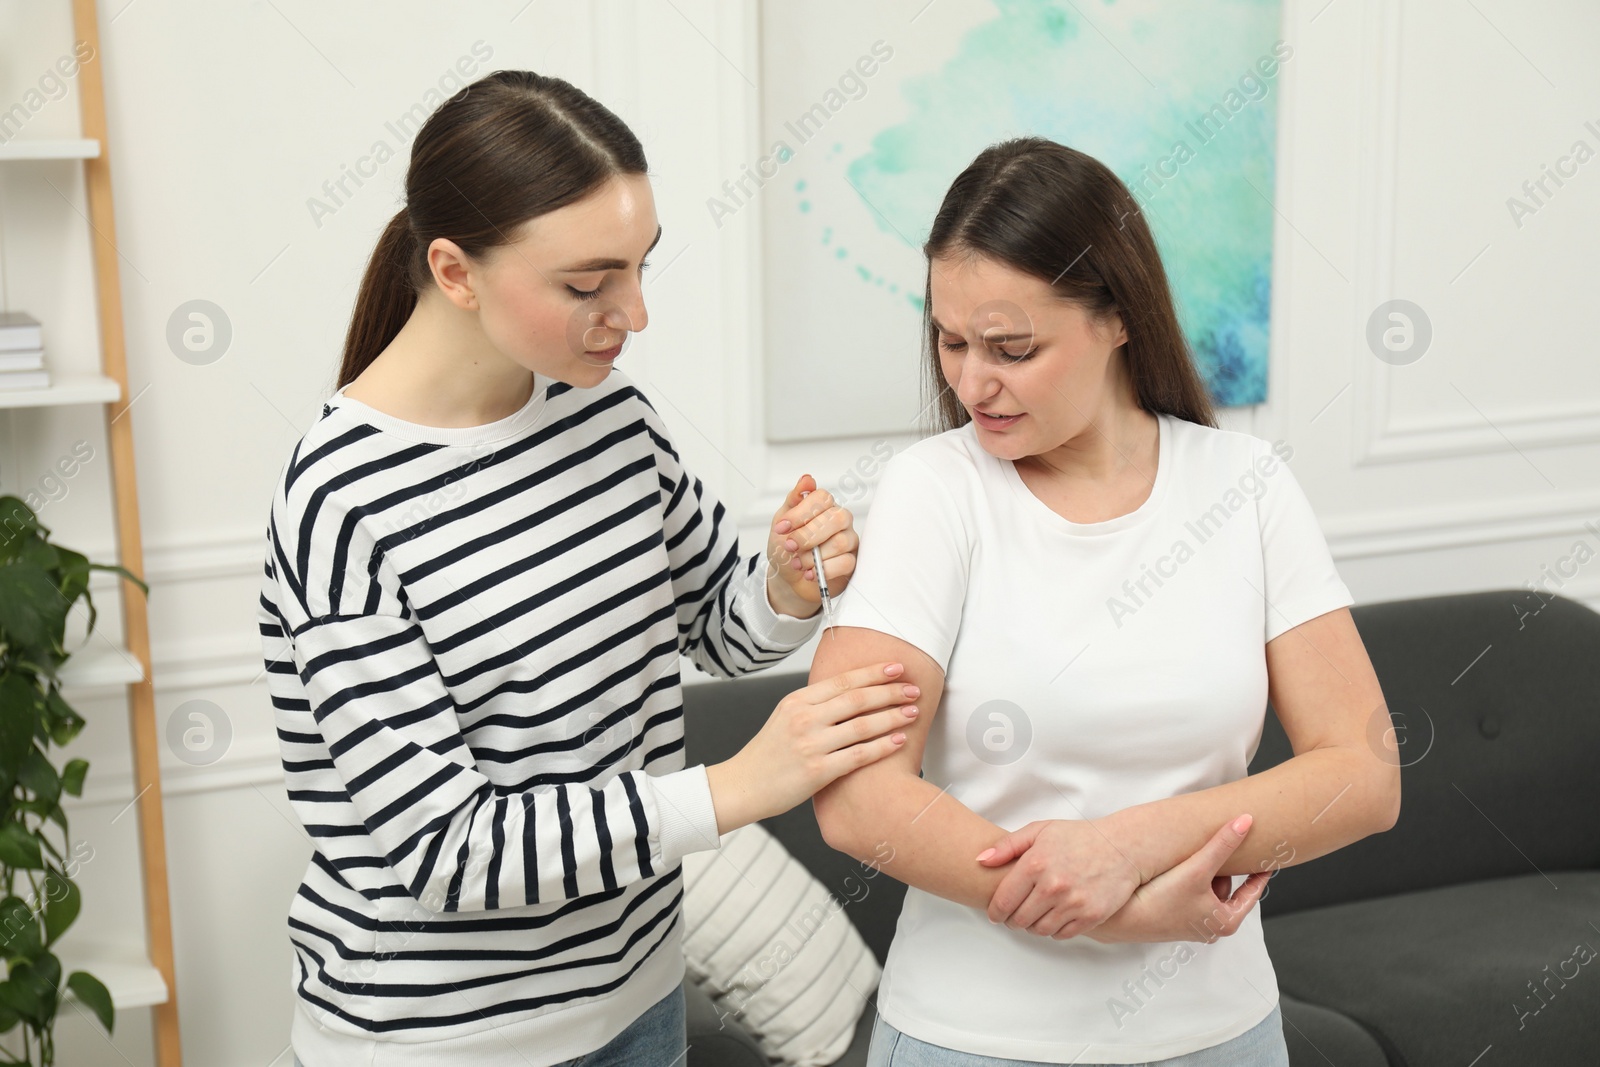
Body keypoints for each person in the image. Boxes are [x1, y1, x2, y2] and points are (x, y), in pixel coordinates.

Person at [257, 70, 921, 1067]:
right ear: (454, 270)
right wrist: (735, 786)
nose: (634, 313)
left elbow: (719, 629)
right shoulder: (340, 501)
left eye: (640, 266)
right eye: (587, 283)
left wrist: (782, 584)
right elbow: (447, 849)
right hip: (441, 1039)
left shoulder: (612, 419)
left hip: (639, 999)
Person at [811, 137, 1401, 1066]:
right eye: (949, 339)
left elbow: (1363, 774)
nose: (970, 383)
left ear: (1118, 317)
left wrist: (1130, 845)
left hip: (1222, 1033)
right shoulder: (935, 491)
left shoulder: (1244, 484)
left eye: (1012, 348)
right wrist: (1111, 916)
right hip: (974, 1038)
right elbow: (856, 796)